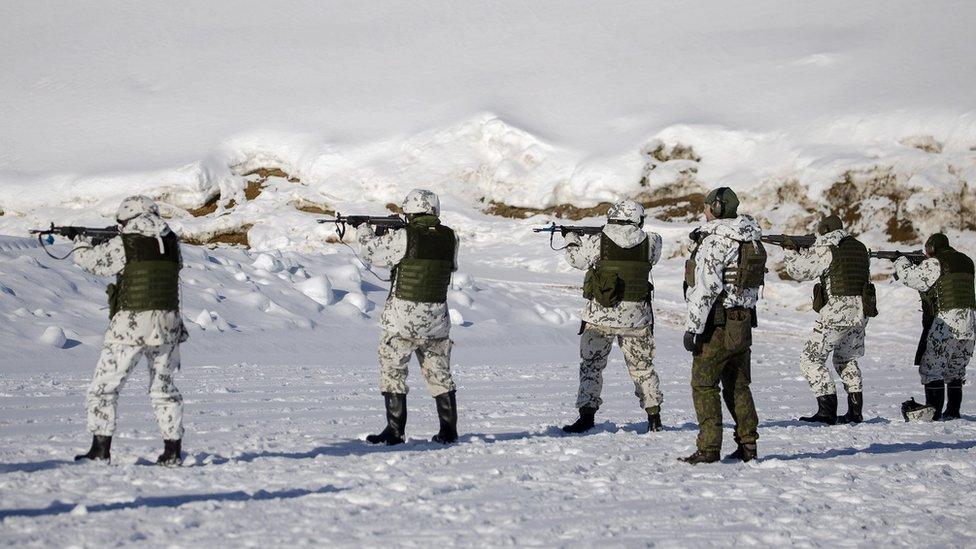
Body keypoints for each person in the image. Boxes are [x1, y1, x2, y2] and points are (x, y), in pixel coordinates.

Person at [72, 195, 187, 465]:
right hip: (168, 325)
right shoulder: (171, 242)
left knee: (104, 387)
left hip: (130, 327)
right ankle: (172, 451)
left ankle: (100, 450)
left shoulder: (126, 241)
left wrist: (81, 242)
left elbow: (92, 263)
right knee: (164, 389)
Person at [358, 189, 460, 444]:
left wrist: (363, 231)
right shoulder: (451, 237)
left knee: (393, 371)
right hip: (437, 320)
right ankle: (449, 431)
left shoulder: (404, 236)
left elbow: (372, 253)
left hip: (402, 320)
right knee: (440, 374)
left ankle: (395, 431)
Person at [560, 200, 665, 434]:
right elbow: (650, 256)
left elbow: (576, 260)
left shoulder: (597, 241)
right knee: (643, 368)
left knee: (591, 367)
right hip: (637, 319)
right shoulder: (652, 242)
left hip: (600, 319)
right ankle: (654, 416)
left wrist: (570, 238)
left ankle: (586, 417)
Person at [680, 187, 764, 464]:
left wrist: (693, 327)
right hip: (742, 322)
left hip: (716, 323)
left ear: (716, 209)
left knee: (703, 385)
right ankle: (748, 444)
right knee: (738, 385)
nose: (704, 212)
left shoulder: (717, 241)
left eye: (706, 207)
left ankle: (708, 448)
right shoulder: (751, 240)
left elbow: (707, 287)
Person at [783, 215, 872, 424]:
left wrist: (790, 251)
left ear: (824, 230)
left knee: (811, 360)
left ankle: (827, 412)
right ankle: (855, 412)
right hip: (861, 313)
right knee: (846, 359)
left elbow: (799, 270)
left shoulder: (828, 249)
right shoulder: (859, 249)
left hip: (837, 314)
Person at [894, 233, 975, 420]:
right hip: (970, 323)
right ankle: (953, 411)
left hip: (946, 322)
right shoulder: (967, 261)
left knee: (931, 367)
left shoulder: (936, 262)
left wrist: (900, 262)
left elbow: (912, 278)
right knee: (955, 369)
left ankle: (934, 411)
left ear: (931, 248)